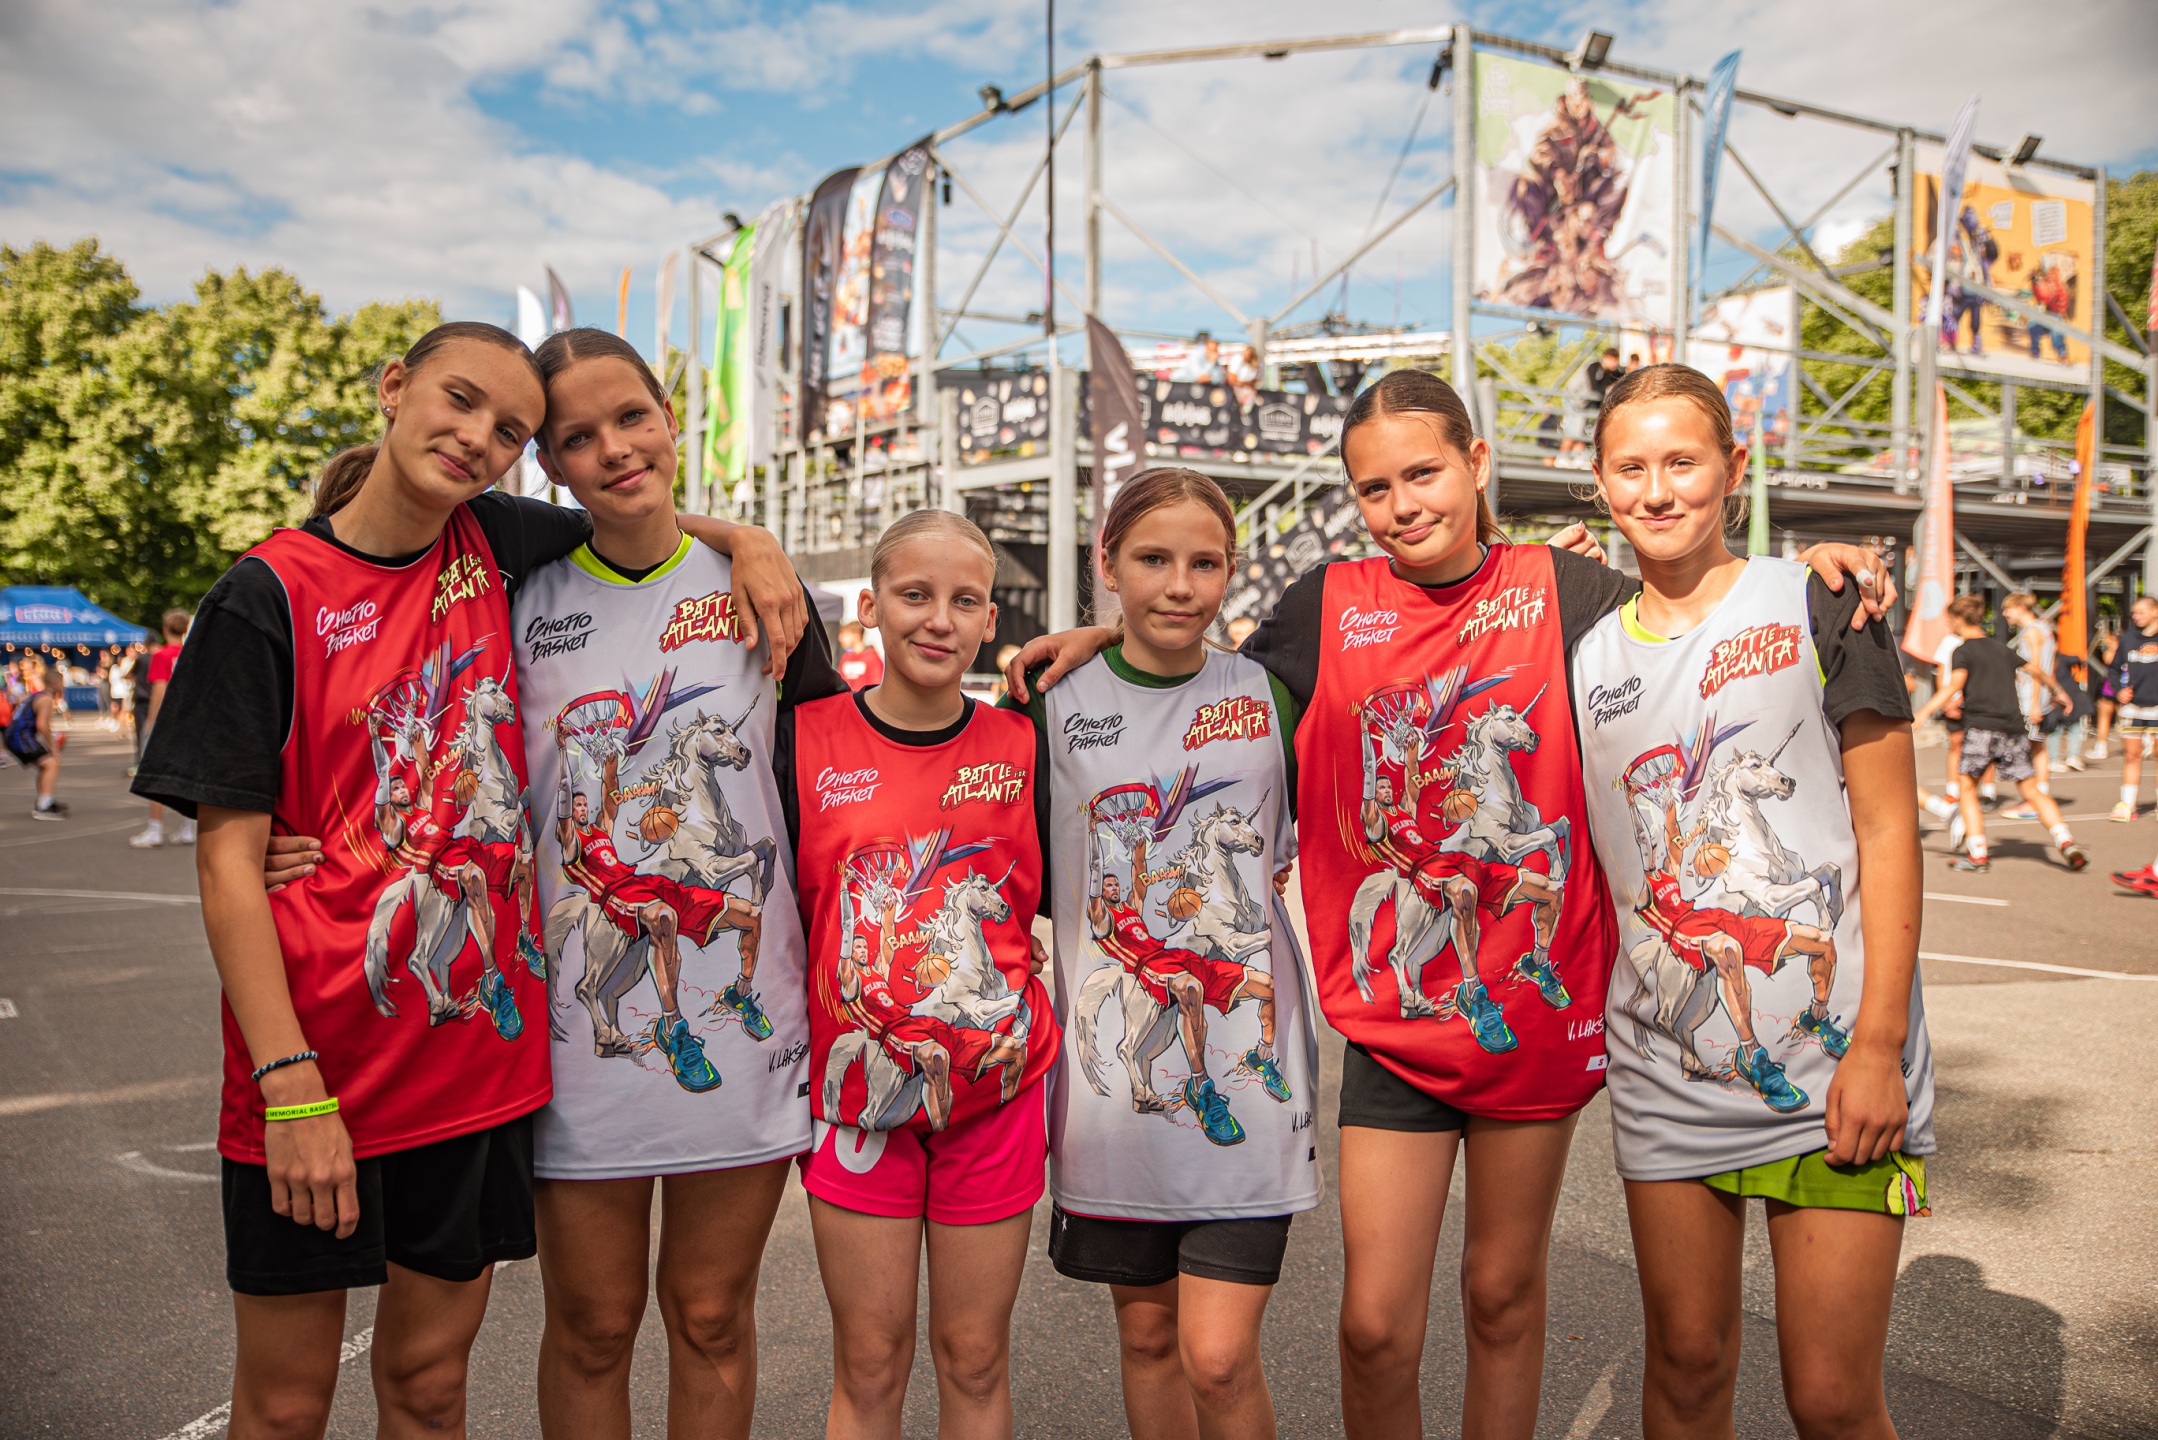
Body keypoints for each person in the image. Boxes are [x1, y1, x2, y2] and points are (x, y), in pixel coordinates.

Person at [1006, 369, 1891, 1439]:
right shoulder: (1322, 606)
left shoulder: (1566, 591)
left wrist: (1804, 578)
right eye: (1374, 488)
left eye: (1423, 474)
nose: (1403, 504)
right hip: (1393, 1026)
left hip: (1534, 1025)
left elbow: (1688, 610)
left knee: (1501, 1296)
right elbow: (1205, 675)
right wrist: (1101, 642)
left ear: (1476, 464)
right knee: (1375, 1328)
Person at [135, 320, 803, 1440]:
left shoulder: (492, 540)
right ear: (393, 386)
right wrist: (290, 1084)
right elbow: (226, 865)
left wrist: (749, 539)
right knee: (287, 1405)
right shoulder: (264, 595)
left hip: (471, 1076)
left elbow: (633, 508)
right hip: (317, 1066)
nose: (476, 437)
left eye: (508, 430)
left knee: (431, 1386)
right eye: (459, 401)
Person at [1571, 363, 1935, 1439]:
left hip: (1840, 1071)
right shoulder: (1582, 652)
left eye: (1682, 461)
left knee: (1830, 1399)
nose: (1657, 490)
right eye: (1630, 468)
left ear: (1735, 468)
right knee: (1686, 1371)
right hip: (1667, 1074)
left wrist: (1878, 1047)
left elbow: (1887, 829)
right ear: (1599, 482)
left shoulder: (1820, 599)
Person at [1007, 468, 1318, 1440]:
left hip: (1253, 1090)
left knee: (1217, 1357)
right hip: (1110, 1107)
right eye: (1152, 560)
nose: (1180, 586)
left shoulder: (1272, 696)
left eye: (1204, 563)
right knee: (1146, 1341)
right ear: (1106, 564)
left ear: (1230, 569)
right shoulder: (1049, 704)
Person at [789, 508, 1060, 1440]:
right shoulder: (803, 738)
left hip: (995, 1098)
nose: (939, 619)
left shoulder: (1027, 743)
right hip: (859, 1098)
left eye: (965, 601)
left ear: (991, 620)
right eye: (915, 595)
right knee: (869, 1365)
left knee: (975, 1358)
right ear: (870, 608)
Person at [1913, 596, 2087, 872]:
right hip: (2013, 728)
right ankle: (2065, 840)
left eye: (1949, 621)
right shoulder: (2001, 649)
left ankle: (1978, 854)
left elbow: (1954, 685)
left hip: (1982, 728)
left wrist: (1923, 713)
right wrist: (2059, 692)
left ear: (1957, 620)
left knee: (1967, 789)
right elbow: (2036, 670)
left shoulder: (1963, 650)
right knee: (2030, 788)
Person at [132, 608, 197, 848]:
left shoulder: (161, 655)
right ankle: (188, 828)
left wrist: (150, 722)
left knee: (156, 773)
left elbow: (159, 691)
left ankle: (155, 830)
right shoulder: (194, 653)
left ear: (165, 629)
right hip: (190, 720)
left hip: (168, 721)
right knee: (188, 774)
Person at [2108, 594, 2158, 823]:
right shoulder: (2128, 638)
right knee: (2131, 755)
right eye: (2134, 613)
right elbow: (2114, 669)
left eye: (2141, 612)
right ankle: (2127, 804)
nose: (2136, 616)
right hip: (2133, 708)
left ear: (2155, 612)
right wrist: (2119, 690)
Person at [7, 656, 67, 819]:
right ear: (55, 683)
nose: (63, 686)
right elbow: (42, 725)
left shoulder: (38, 696)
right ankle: (43, 807)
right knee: (52, 763)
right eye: (62, 683)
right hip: (20, 737)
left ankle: (45, 800)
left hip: (16, 735)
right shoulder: (46, 699)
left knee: (46, 765)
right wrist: (52, 748)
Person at [836, 618, 884, 691]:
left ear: (856, 635)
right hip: (848, 697)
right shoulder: (845, 657)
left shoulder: (871, 657)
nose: (840, 638)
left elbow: (876, 684)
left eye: (844, 634)